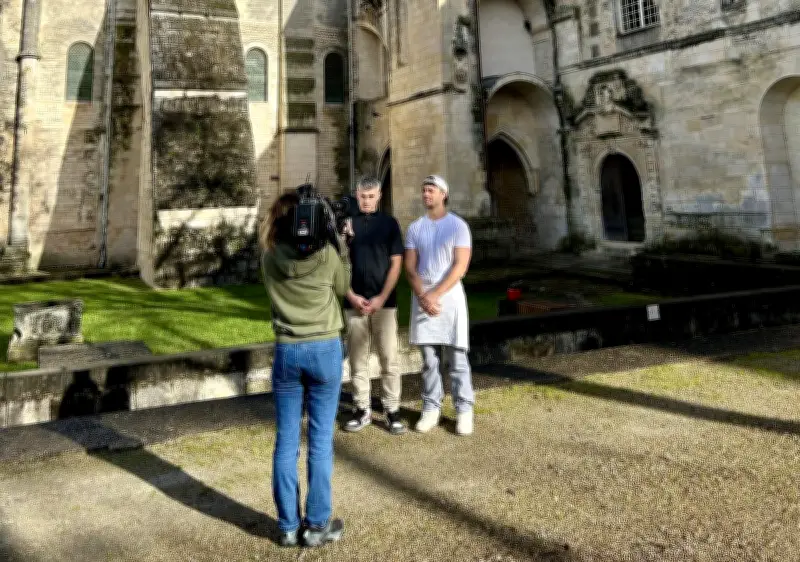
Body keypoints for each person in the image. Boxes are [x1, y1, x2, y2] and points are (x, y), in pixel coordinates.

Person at [260, 191, 350, 548]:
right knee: (320, 440)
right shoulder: (327, 255)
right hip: (324, 348)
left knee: (285, 443)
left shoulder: (269, 257)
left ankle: (286, 526)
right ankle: (316, 525)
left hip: (287, 350)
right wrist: (340, 245)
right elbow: (344, 287)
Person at [404, 175, 475, 436]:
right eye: (423, 190)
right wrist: (424, 295)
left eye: (431, 190)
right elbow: (410, 268)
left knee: (456, 358)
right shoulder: (415, 228)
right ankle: (431, 407)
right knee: (429, 360)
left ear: (443, 194)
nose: (426, 194)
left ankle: (464, 409)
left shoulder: (458, 226)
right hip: (423, 296)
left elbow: (460, 266)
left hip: (449, 296)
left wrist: (435, 294)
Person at [342, 175, 406, 435]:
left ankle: (392, 410)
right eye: (362, 196)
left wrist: (381, 297)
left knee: (389, 358)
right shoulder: (347, 225)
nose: (366, 201)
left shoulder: (389, 224)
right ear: (356, 195)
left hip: (385, 303)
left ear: (379, 196)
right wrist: (350, 296)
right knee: (358, 361)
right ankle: (362, 408)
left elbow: (396, 263)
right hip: (354, 302)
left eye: (371, 196)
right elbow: (338, 265)